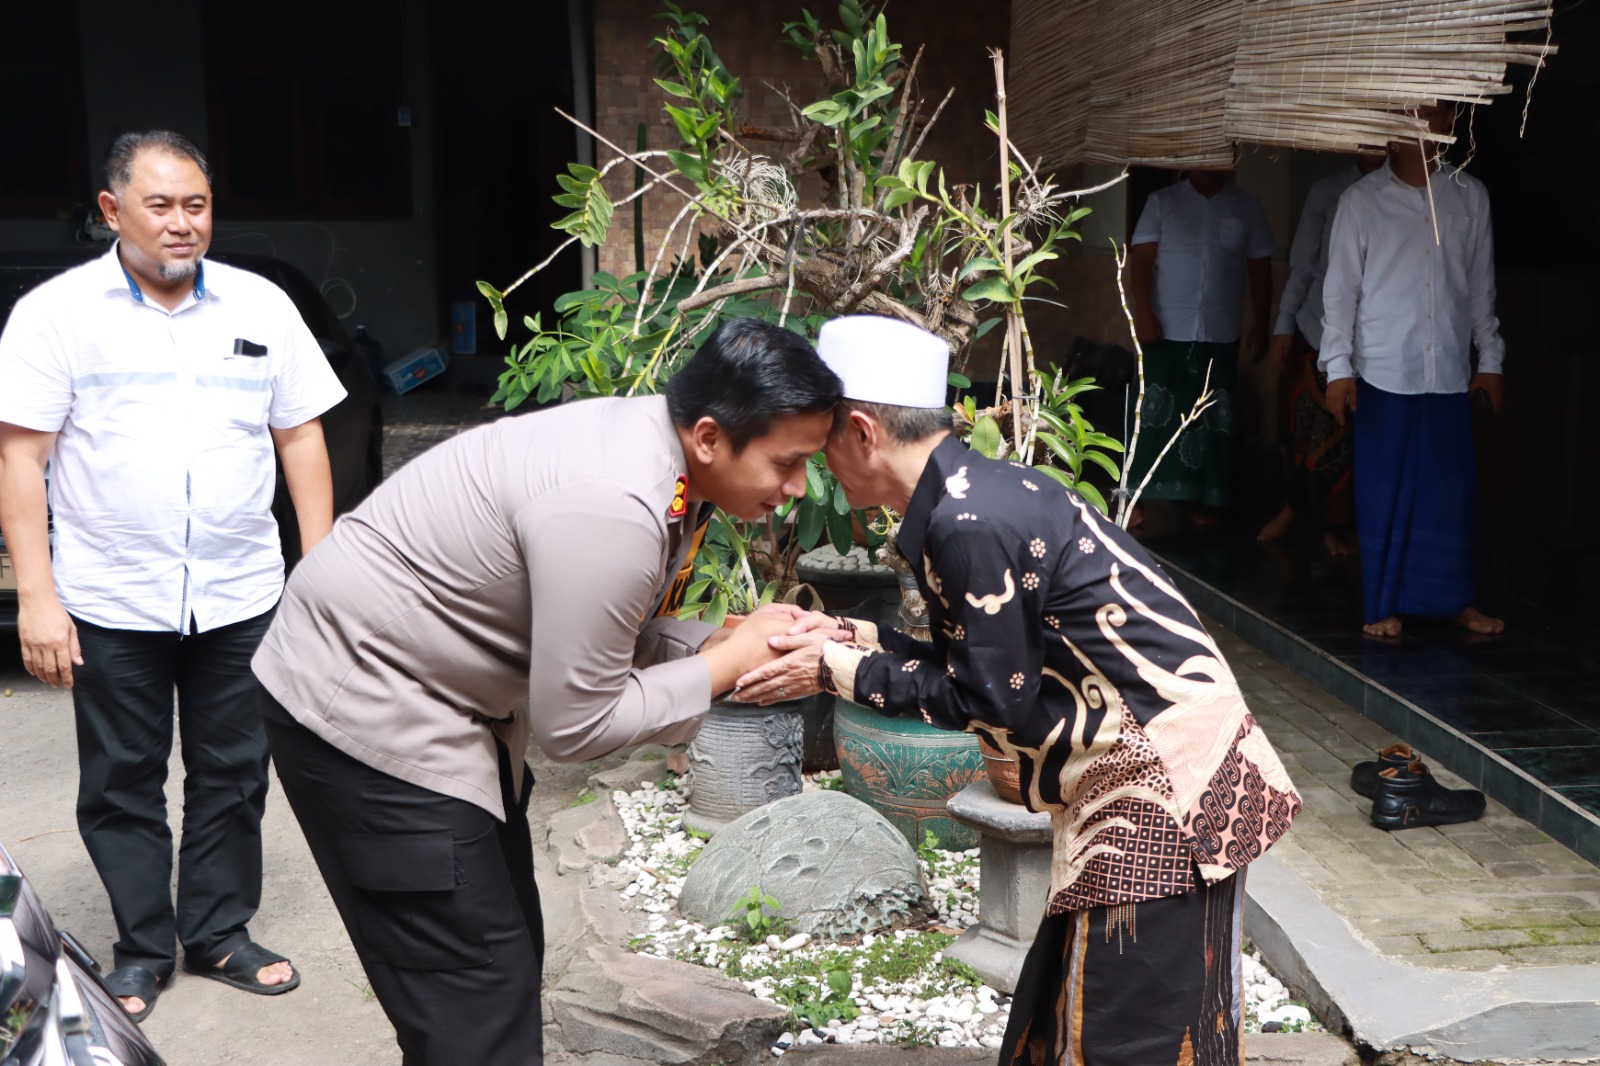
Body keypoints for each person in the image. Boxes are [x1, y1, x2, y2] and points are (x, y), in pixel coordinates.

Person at [250, 318, 842, 1066]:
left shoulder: (655, 451)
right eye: (788, 464)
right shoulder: (614, 506)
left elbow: (592, 641)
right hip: (365, 707)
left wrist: (721, 644)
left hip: (436, 694)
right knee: (476, 998)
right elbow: (576, 725)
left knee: (500, 958)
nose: (797, 491)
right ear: (709, 437)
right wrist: (724, 666)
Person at [735, 315, 1303, 1066]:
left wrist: (831, 670)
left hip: (1163, 799)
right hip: (1157, 784)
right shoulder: (975, 495)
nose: (811, 474)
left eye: (817, 444)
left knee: (1125, 1037)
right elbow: (988, 662)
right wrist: (851, 635)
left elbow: (989, 700)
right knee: (1085, 1015)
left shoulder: (966, 521)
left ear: (864, 432)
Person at [0, 131, 343, 1020]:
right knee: (121, 779)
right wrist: (36, 595)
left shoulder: (262, 306)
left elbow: (300, 434)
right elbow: (21, 458)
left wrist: (321, 565)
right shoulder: (55, 315)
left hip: (240, 591)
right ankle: (143, 948)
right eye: (161, 206)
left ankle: (221, 932)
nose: (183, 223)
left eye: (197, 205)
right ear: (114, 211)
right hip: (112, 597)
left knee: (235, 770)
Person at [1319, 103, 1506, 639]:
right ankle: (1383, 605)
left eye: (1441, 111)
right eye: (1419, 111)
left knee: (1450, 491)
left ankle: (1456, 601)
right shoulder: (1360, 201)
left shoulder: (1471, 196)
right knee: (1384, 494)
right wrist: (1338, 369)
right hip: (1382, 370)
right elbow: (1340, 293)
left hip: (1447, 369)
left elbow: (1480, 291)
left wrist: (1489, 361)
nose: (1431, 122)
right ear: (1391, 126)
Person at [1127, 170, 1274, 527]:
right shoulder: (1162, 202)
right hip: (1166, 328)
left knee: (1212, 419)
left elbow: (1260, 268)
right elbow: (1141, 261)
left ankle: (1201, 500)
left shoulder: (1248, 207)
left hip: (1219, 330)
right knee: (1154, 416)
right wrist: (1143, 315)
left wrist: (1261, 323)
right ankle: (1136, 498)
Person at [1257, 154, 1384, 555]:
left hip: (1379, 338)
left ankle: (1340, 528)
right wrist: (1283, 324)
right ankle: (1294, 510)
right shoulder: (1327, 191)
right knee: (1310, 434)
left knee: (1357, 437)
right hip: (1319, 326)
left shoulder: (1404, 194)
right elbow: (1303, 263)